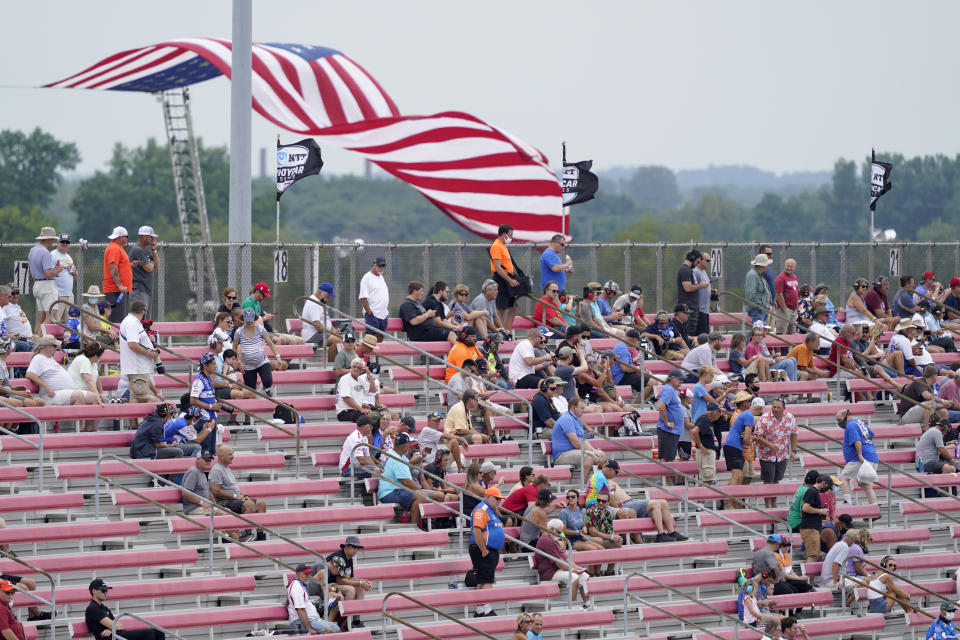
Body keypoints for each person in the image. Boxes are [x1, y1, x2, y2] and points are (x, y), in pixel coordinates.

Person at [209, 445, 267, 541]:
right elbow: (215, 491)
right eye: (230, 454)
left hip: (235, 499)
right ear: (222, 456)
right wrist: (236, 496)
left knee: (261, 504)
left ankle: (260, 535)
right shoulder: (216, 470)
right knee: (249, 504)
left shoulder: (227, 469)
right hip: (224, 502)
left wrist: (244, 496)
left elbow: (234, 489)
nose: (233, 456)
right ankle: (247, 534)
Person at [533, 519, 594, 610]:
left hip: (556, 569)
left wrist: (577, 568)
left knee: (584, 575)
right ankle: (572, 605)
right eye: (559, 532)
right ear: (551, 529)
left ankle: (587, 603)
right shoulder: (546, 540)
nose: (560, 535)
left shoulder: (553, 538)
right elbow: (558, 562)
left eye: (561, 533)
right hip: (549, 572)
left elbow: (564, 557)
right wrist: (572, 570)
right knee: (574, 577)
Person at [753, 398, 798, 508]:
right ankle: (767, 504)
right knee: (768, 480)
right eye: (774, 407)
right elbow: (757, 436)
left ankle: (774, 502)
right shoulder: (764, 419)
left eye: (778, 407)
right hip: (766, 455)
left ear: (784, 408)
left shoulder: (789, 417)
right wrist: (770, 445)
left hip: (782, 455)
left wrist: (793, 451)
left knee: (777, 480)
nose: (775, 409)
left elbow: (794, 434)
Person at [86, 578, 165, 640]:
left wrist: (110, 630)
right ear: (94, 591)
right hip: (110, 638)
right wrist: (113, 629)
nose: (106, 592)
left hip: (118, 635)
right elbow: (116, 626)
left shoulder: (104, 608)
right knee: (148, 633)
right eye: (103, 590)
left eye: (106, 590)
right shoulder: (93, 608)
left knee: (159, 632)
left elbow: (119, 626)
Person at [26, 336, 95, 407]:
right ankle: (76, 418)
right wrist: (47, 387)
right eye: (55, 346)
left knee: (94, 397)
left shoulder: (50, 358)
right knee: (78, 396)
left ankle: (81, 418)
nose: (57, 348)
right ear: (47, 347)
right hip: (51, 395)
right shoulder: (39, 358)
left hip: (64, 392)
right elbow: (30, 374)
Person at [470, 486, 506, 617]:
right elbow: (476, 530)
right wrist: (484, 550)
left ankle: (482, 609)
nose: (499, 501)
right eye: (497, 499)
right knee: (486, 580)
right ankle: (484, 609)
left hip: (489, 549)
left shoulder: (491, 510)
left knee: (484, 579)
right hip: (484, 549)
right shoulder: (482, 509)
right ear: (488, 497)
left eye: (500, 499)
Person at [377, 433, 426, 527]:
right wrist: (419, 490)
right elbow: (406, 481)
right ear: (403, 446)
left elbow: (407, 469)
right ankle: (413, 527)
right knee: (421, 496)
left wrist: (419, 460)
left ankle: (423, 524)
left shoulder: (400, 456)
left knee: (434, 496)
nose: (409, 447)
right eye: (408, 444)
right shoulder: (395, 458)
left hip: (396, 489)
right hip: (389, 492)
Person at [551, 398, 604, 482]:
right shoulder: (566, 419)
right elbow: (576, 443)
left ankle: (599, 484)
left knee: (601, 455)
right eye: (581, 408)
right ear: (573, 408)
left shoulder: (577, 419)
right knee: (590, 456)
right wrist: (591, 451)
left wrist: (593, 450)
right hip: (562, 454)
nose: (584, 411)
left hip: (574, 451)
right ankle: (584, 485)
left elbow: (583, 439)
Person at [119, 300, 161, 403]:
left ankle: (133, 419)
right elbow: (132, 344)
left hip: (138, 368)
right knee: (146, 399)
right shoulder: (131, 322)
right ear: (143, 311)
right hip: (136, 367)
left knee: (135, 398)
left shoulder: (132, 322)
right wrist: (148, 353)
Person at [723, 392, 759, 508]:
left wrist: (749, 437)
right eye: (748, 401)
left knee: (737, 476)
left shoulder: (741, 414)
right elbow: (747, 439)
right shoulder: (748, 415)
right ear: (743, 403)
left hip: (732, 446)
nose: (750, 403)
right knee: (736, 476)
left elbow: (746, 437)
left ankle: (731, 503)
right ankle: (729, 504)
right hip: (734, 447)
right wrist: (753, 438)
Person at [836, 409, 879, 505]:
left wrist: (860, 455)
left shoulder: (850, 425)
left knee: (843, 478)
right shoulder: (860, 423)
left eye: (839, 420)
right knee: (866, 484)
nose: (839, 423)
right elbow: (870, 436)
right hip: (871, 457)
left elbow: (857, 440)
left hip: (859, 459)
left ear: (846, 416)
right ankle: (874, 508)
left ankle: (848, 502)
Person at [287, 563, 339, 634]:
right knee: (328, 630)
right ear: (298, 574)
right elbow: (300, 610)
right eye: (306, 574)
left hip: (313, 619)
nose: (308, 576)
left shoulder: (302, 585)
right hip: (300, 621)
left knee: (336, 629)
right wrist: (309, 628)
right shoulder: (296, 587)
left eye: (309, 574)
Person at [27, 226, 63, 328]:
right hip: (47, 286)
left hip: (37, 285)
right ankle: (41, 342)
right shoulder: (46, 253)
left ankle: (35, 341)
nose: (53, 242)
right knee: (51, 317)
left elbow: (31, 272)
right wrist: (58, 270)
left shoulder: (32, 250)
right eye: (53, 239)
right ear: (48, 239)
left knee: (41, 317)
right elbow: (47, 273)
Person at [792, 470, 830, 561]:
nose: (827, 490)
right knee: (813, 556)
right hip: (810, 528)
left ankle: (809, 575)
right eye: (827, 486)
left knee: (815, 555)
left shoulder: (814, 491)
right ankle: (808, 575)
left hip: (813, 527)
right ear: (823, 483)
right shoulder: (812, 491)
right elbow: (805, 508)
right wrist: (820, 511)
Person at [68, 342, 107, 429]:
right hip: (75, 391)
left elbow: (96, 378)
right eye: (101, 356)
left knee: (101, 399)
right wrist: (97, 396)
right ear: (95, 356)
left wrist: (101, 392)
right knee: (96, 399)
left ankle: (90, 429)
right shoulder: (83, 360)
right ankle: (86, 430)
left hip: (85, 392)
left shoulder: (92, 362)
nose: (101, 358)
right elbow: (89, 380)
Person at [489, 224, 520, 331]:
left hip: (508, 277)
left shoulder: (503, 246)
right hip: (502, 279)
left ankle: (507, 332)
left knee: (513, 308)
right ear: (504, 234)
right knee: (501, 307)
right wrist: (509, 280)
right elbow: (498, 267)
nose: (511, 237)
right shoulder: (496, 246)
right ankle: (495, 331)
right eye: (510, 235)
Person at [557, 489, 605, 558]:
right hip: (570, 539)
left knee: (601, 549)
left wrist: (584, 528)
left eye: (573, 497)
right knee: (594, 550)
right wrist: (578, 532)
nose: (570, 498)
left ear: (577, 498)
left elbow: (583, 525)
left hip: (580, 537)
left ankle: (597, 569)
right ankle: (591, 569)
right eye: (568, 497)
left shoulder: (579, 510)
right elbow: (563, 531)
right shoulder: (564, 512)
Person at [301, 282, 342, 360]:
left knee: (346, 339)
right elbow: (318, 326)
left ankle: (338, 364)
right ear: (322, 293)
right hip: (312, 335)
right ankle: (331, 366)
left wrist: (334, 330)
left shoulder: (320, 302)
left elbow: (325, 320)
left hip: (320, 333)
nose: (329, 298)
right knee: (337, 340)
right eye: (328, 296)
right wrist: (332, 333)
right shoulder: (313, 303)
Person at [584, 492, 620, 576]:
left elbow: (610, 531)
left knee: (617, 543)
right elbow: (593, 532)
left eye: (603, 501)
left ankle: (609, 572)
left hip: (602, 538)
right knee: (599, 540)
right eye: (598, 500)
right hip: (588, 538)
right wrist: (611, 537)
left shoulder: (608, 514)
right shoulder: (590, 511)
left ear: (608, 503)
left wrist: (616, 537)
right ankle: (592, 573)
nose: (600, 503)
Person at [102, 226, 132, 323]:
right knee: (117, 321)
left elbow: (119, 265)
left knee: (121, 319)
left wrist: (129, 265)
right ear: (120, 237)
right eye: (126, 236)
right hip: (115, 290)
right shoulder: (114, 248)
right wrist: (120, 285)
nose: (127, 238)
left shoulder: (118, 248)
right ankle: (115, 338)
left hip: (120, 290)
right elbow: (113, 267)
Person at [656, 368, 686, 464]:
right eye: (680, 378)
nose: (682, 381)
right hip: (668, 430)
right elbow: (661, 405)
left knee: (669, 457)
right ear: (672, 378)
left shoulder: (671, 390)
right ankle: (667, 479)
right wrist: (666, 422)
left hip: (672, 430)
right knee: (666, 458)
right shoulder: (668, 389)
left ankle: (668, 479)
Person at [128, 226, 159, 316]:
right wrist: (152, 263)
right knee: (139, 317)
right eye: (151, 237)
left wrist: (154, 250)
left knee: (146, 318)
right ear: (145, 237)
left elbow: (156, 266)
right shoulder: (138, 250)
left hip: (145, 289)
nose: (153, 239)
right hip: (139, 290)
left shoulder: (145, 251)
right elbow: (148, 268)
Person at [358, 256, 389, 340]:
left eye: (383, 266)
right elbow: (363, 298)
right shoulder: (367, 278)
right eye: (379, 266)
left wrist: (385, 312)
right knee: (371, 339)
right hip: (373, 314)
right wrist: (370, 313)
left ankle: (376, 353)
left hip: (383, 314)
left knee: (380, 338)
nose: (381, 268)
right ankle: (367, 353)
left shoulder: (381, 277)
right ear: (373, 265)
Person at [691, 402, 723, 484]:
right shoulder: (704, 419)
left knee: (707, 479)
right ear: (711, 412)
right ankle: (698, 496)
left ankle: (699, 496)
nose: (720, 414)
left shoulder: (708, 420)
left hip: (707, 452)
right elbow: (693, 432)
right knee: (707, 479)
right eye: (718, 411)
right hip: (705, 453)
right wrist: (701, 446)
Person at [677, 249, 707, 336]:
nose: (697, 264)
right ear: (693, 258)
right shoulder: (685, 270)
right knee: (689, 331)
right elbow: (688, 288)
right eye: (697, 262)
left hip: (692, 306)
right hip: (688, 306)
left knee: (693, 331)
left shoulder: (689, 270)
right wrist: (700, 285)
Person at [49, 233, 77, 323]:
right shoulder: (52, 255)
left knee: (68, 323)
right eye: (62, 242)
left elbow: (74, 277)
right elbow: (48, 274)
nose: (65, 244)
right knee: (56, 321)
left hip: (69, 295)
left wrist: (75, 274)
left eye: (67, 242)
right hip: (58, 294)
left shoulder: (69, 257)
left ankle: (66, 337)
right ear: (58, 243)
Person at [745, 253, 774, 324]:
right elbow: (750, 293)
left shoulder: (759, 275)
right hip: (757, 309)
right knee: (757, 330)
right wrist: (760, 305)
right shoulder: (752, 275)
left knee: (760, 330)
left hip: (762, 308)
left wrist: (767, 304)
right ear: (762, 265)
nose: (767, 266)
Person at [774, 259, 800, 335]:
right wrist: (784, 309)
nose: (788, 268)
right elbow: (779, 294)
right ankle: (780, 347)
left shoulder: (795, 277)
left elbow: (795, 291)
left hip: (794, 309)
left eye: (791, 266)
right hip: (784, 309)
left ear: (794, 267)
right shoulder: (781, 278)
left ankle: (791, 347)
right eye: (787, 266)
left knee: (792, 331)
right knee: (781, 331)